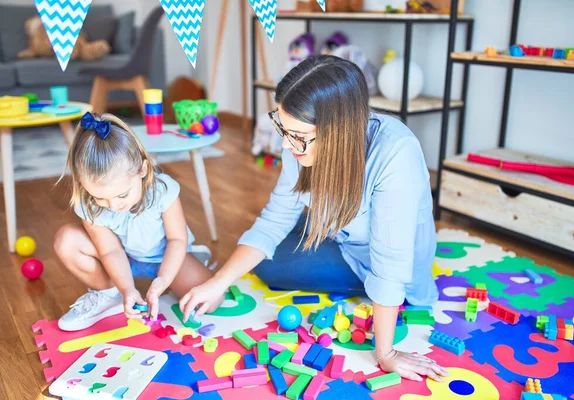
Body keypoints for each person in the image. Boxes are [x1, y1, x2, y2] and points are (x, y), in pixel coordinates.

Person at [180, 55, 447, 382]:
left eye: (297, 135)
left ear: (337, 132)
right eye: (282, 128)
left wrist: (386, 353)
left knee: (270, 263)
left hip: (382, 261)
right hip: (342, 236)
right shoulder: (300, 141)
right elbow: (274, 220)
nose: (284, 143)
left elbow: (390, 263)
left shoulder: (396, 153)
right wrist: (217, 282)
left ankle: (370, 295)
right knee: (264, 250)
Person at [54, 112, 219, 331]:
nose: (112, 206)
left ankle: (192, 259)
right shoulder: (89, 205)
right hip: (123, 258)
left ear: (142, 169)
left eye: (122, 195)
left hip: (165, 256)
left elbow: (177, 239)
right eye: (99, 197)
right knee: (66, 240)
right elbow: (110, 251)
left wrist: (163, 279)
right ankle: (108, 292)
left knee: (210, 303)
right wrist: (127, 289)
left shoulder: (163, 191)